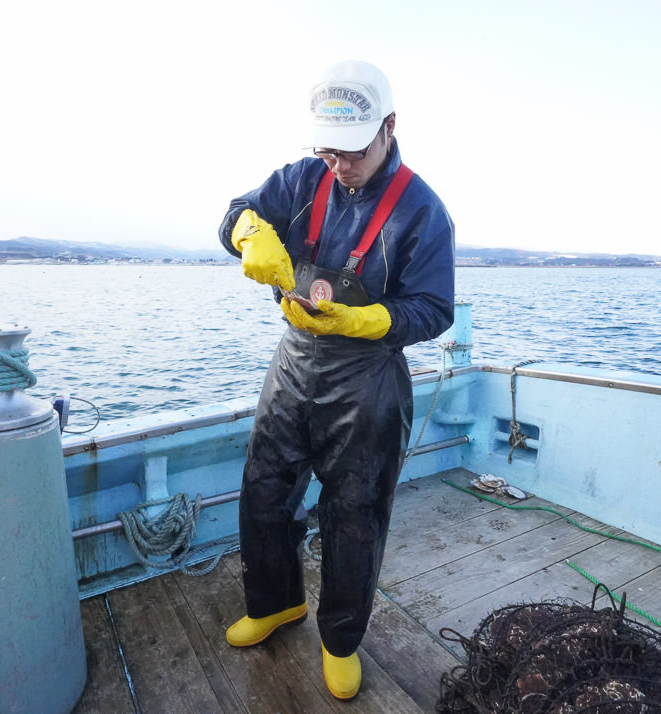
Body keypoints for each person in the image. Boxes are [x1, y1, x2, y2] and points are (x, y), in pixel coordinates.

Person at [217, 59, 455, 700]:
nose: (339, 165)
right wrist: (245, 233)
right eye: (327, 150)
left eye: (352, 151)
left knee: (354, 513)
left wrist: (368, 318)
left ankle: (341, 639)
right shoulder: (302, 179)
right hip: (294, 360)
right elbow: (236, 209)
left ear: (390, 128)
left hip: (367, 376)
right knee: (264, 491)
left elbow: (433, 309)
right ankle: (275, 603)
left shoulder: (424, 212)